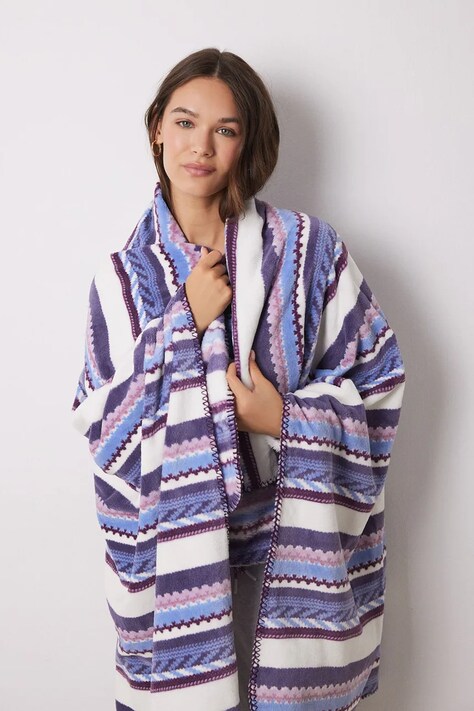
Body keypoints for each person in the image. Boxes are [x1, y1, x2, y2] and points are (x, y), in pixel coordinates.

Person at [71, 48, 405, 711]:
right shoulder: (121, 280)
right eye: (185, 122)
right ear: (158, 128)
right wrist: (183, 321)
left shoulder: (308, 252)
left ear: (247, 142)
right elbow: (103, 433)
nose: (201, 146)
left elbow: (380, 381)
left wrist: (284, 421)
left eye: (225, 129)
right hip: (177, 571)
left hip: (288, 555)